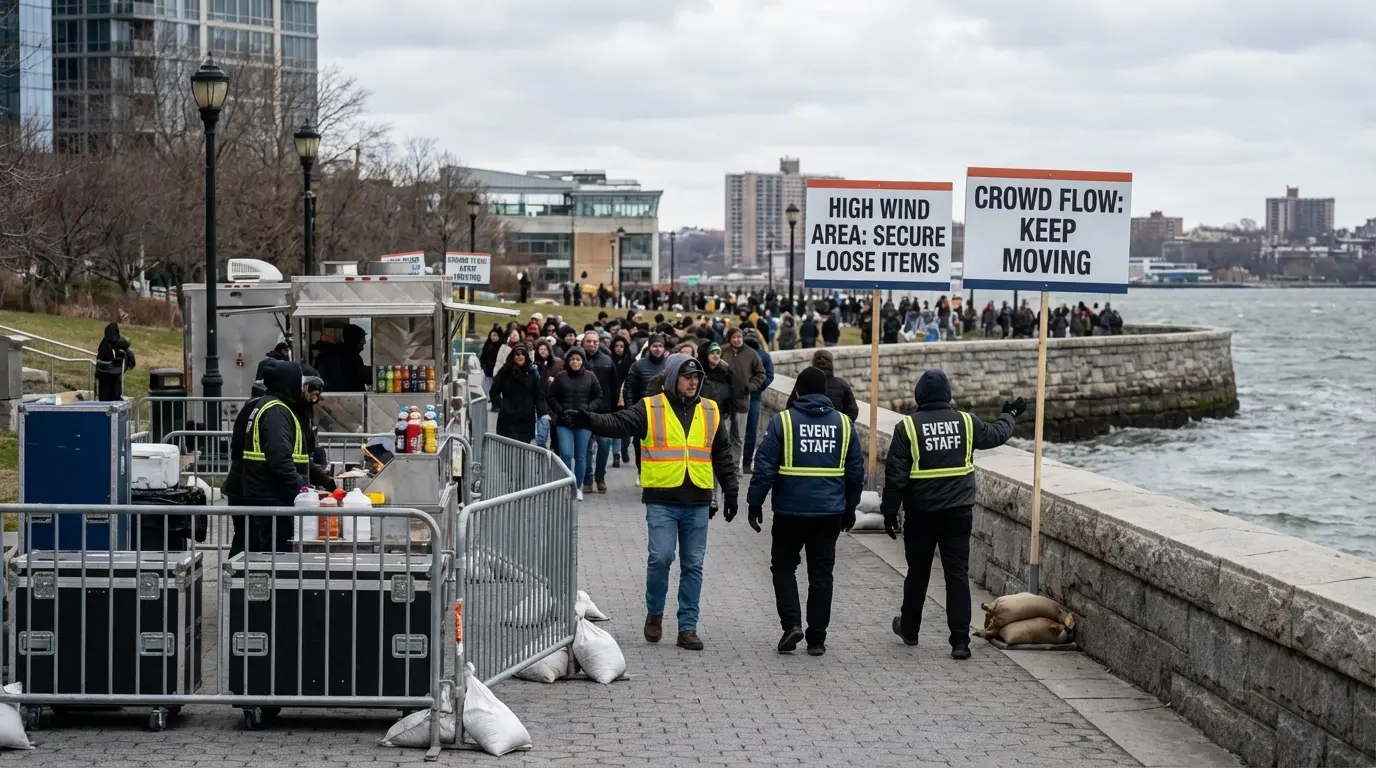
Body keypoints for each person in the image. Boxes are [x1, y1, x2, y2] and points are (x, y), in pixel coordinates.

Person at [561, 354, 739, 651]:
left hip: (698, 498)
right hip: (662, 499)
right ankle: (655, 612)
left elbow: (721, 453)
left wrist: (731, 492)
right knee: (661, 558)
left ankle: (687, 628)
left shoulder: (710, 410)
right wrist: (588, 419)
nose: (693, 382)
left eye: (696, 377)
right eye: (687, 377)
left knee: (693, 564)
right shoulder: (651, 407)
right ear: (672, 379)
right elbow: (618, 423)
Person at [883, 370, 1025, 660]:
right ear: (948, 394)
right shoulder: (966, 422)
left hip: (921, 514)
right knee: (957, 575)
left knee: (918, 573)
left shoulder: (908, 427)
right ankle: (960, 641)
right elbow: (997, 434)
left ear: (919, 395)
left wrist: (889, 512)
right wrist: (1009, 414)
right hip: (958, 514)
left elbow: (896, 475)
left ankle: (909, 629)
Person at [747, 366, 864, 656]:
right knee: (821, 576)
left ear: (797, 390)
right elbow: (856, 472)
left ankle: (791, 625)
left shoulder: (783, 422)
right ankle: (817, 639)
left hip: (790, 512)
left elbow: (764, 466)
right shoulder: (844, 424)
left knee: (784, 568)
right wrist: (850, 508)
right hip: (828, 513)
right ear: (825, 392)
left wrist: (754, 502)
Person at [223, 360, 312, 556]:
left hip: (257, 494)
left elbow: (294, 456)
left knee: (246, 549)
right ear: (288, 383)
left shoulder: (268, 405)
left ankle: (240, 584)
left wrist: (326, 481)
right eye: (300, 383)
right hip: (268, 497)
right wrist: (304, 491)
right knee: (266, 554)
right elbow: (280, 459)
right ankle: (254, 586)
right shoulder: (276, 411)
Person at [546, 347, 601, 501]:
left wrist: (588, 410)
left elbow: (598, 397)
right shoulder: (560, 377)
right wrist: (560, 410)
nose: (575, 362)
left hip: (583, 422)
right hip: (564, 422)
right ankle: (566, 484)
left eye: (578, 359)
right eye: (572, 359)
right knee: (566, 454)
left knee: (581, 456)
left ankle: (578, 487)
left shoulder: (590, 377)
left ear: (583, 361)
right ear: (568, 361)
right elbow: (551, 396)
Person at [621, 333, 669, 482]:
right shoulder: (638, 365)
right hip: (642, 411)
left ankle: (659, 472)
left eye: (660, 346)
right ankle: (641, 470)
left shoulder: (669, 365)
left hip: (664, 411)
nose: (657, 349)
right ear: (649, 347)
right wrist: (630, 408)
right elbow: (629, 388)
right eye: (654, 346)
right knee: (639, 443)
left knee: (662, 443)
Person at [721, 327, 766, 474]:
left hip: (742, 400)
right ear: (729, 338)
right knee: (723, 434)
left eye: (739, 337)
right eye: (734, 337)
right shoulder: (723, 351)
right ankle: (723, 464)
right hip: (724, 400)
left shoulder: (751, 354)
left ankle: (735, 466)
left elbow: (761, 374)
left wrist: (750, 387)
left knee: (738, 436)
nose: (737, 340)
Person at [490, 345, 544, 443]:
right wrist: (501, 405)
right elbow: (494, 391)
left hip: (526, 416)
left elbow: (539, 394)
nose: (520, 357)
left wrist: (541, 412)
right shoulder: (504, 372)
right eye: (517, 354)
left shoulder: (532, 373)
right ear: (513, 356)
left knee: (523, 447)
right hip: (507, 416)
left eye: (523, 354)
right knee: (507, 448)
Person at [788, 349, 859, 422]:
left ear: (813, 363)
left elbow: (790, 407)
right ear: (831, 364)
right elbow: (853, 411)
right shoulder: (842, 384)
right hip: (834, 427)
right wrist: (841, 425)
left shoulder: (804, 381)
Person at [741, 329, 774, 474]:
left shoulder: (764, 356)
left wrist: (758, 388)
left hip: (754, 397)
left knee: (750, 431)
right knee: (741, 431)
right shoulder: (741, 354)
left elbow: (769, 375)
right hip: (741, 396)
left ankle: (746, 461)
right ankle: (740, 462)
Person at [314, 324, 369, 392]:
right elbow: (359, 377)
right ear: (355, 340)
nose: (364, 342)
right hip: (348, 397)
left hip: (327, 395)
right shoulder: (352, 358)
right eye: (362, 339)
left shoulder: (325, 354)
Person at [608, 336, 635, 466]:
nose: (619, 349)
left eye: (621, 346)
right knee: (615, 428)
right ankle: (616, 454)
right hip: (612, 399)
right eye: (616, 346)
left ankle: (624, 448)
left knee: (626, 428)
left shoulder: (631, 362)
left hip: (626, 398)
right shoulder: (609, 360)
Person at [95, 322, 136, 402]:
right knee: (114, 396)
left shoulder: (104, 344)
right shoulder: (118, 343)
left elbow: (100, 357)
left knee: (106, 397)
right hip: (113, 373)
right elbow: (127, 345)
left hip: (106, 375)